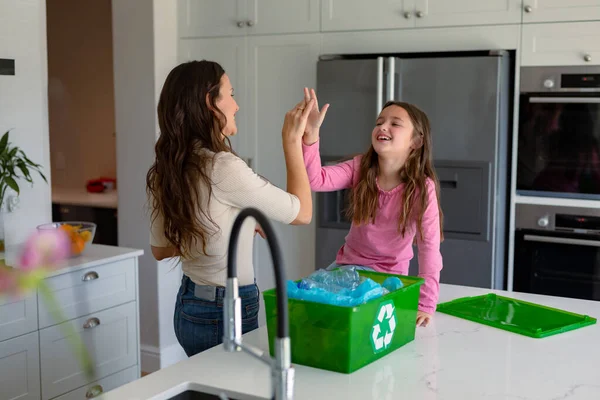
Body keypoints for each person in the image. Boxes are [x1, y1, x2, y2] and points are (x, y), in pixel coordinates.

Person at [146, 60, 315, 356]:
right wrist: (292, 142)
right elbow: (302, 213)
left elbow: (161, 249)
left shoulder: (167, 168)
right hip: (225, 310)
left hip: (189, 306)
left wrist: (232, 225)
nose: (236, 106)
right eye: (231, 94)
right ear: (210, 103)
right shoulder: (222, 166)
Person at [301, 88, 444, 327]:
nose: (383, 127)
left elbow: (429, 250)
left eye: (395, 123)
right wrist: (311, 135)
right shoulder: (360, 168)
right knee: (311, 312)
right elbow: (316, 179)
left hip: (388, 281)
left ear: (416, 141)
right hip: (345, 271)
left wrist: (426, 305)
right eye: (379, 122)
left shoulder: (422, 188)